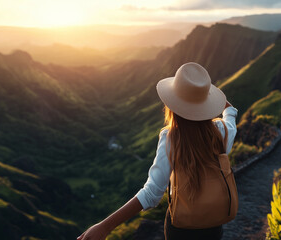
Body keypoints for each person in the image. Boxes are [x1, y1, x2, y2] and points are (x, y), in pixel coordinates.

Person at [77, 62, 238, 240]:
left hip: (182, 229)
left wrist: (104, 226)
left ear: (172, 104)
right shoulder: (222, 131)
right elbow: (230, 114)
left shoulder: (171, 138)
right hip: (213, 224)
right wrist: (214, 101)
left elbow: (152, 193)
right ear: (206, 104)